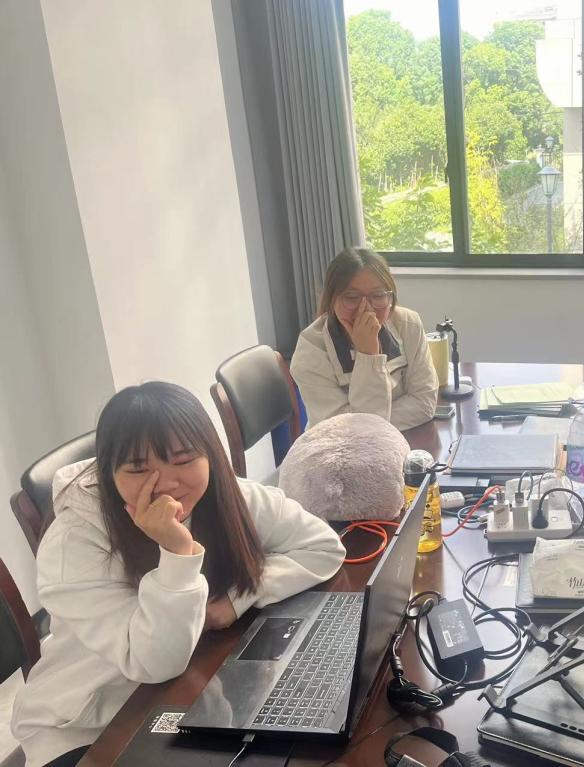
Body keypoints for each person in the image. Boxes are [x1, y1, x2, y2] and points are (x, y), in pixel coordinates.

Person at [12, 382, 346, 767]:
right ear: (108, 473)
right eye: (138, 468)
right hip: (88, 723)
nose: (166, 483)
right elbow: (155, 662)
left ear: (210, 455)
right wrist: (176, 553)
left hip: (190, 685)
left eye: (184, 459)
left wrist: (236, 599)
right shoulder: (75, 541)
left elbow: (323, 547)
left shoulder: (228, 496)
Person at [291, 247, 438, 430]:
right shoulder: (311, 350)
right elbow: (350, 431)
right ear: (331, 299)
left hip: (401, 439)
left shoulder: (408, 324)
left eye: (378, 296)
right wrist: (368, 355)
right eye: (352, 298)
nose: (366, 309)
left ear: (390, 297)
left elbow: (424, 402)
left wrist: (372, 423)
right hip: (338, 445)